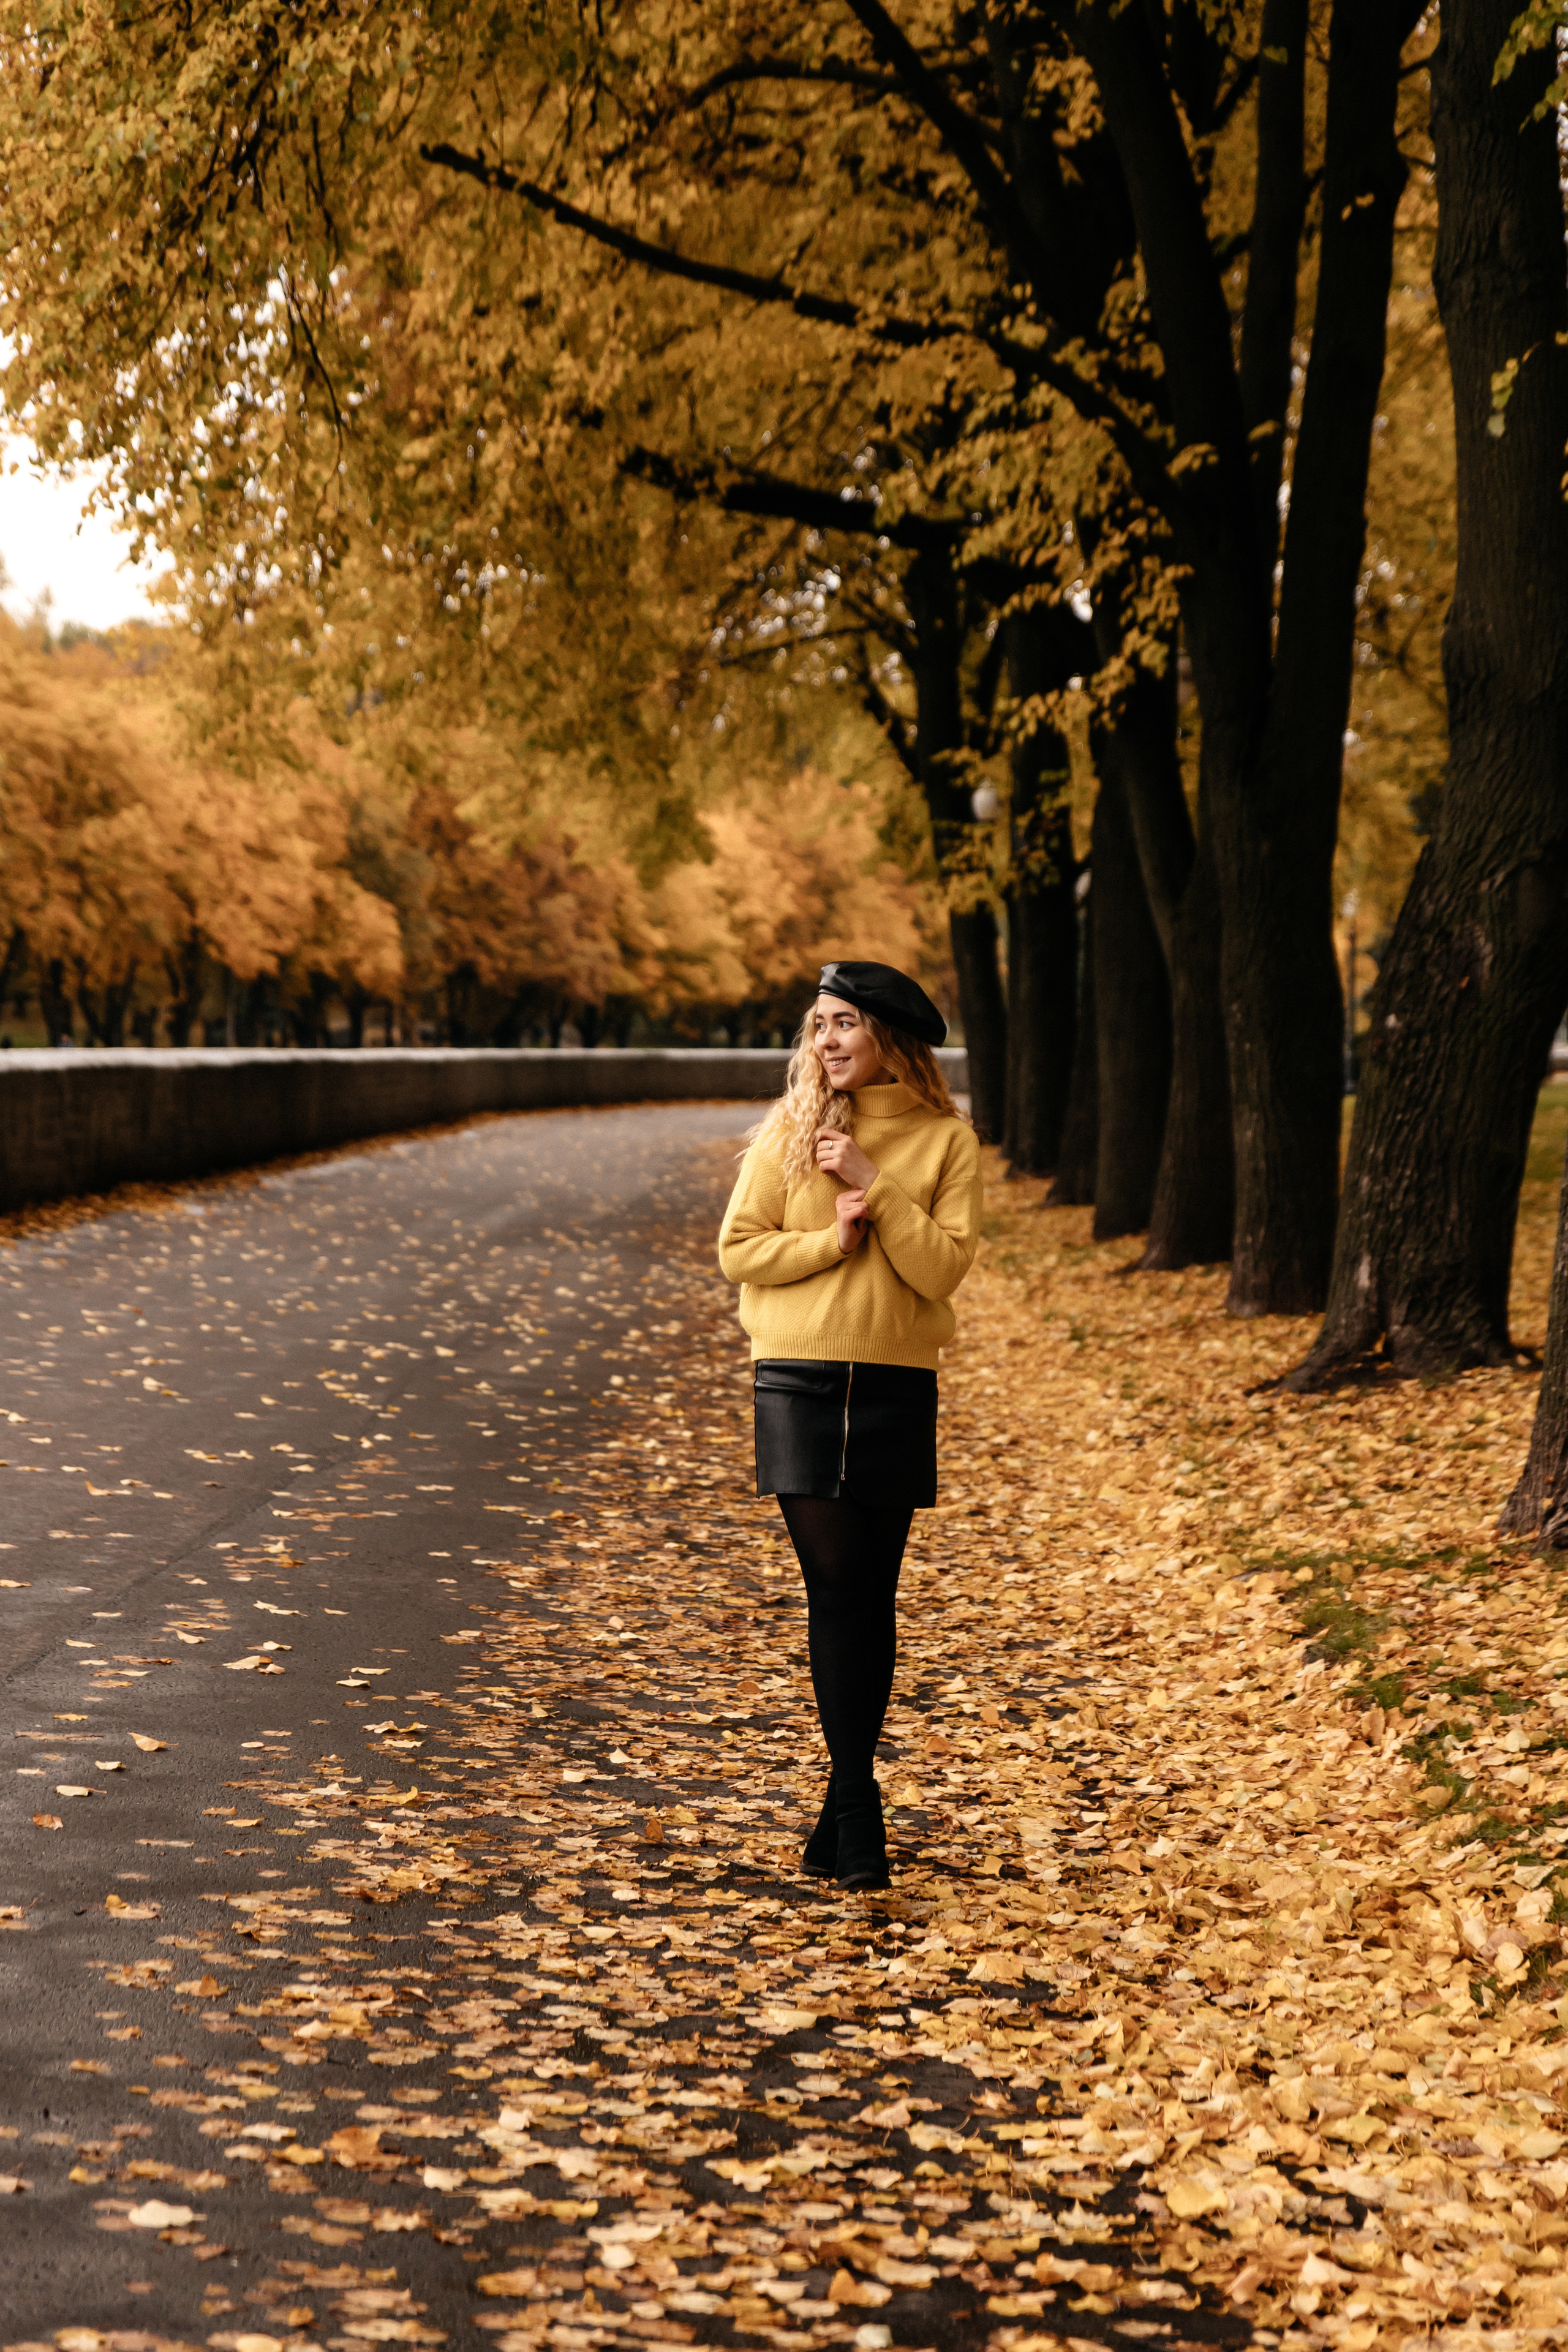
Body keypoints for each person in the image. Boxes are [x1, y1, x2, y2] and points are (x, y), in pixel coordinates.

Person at [718, 960, 983, 1890]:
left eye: (845, 1025)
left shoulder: (948, 1143)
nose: (826, 1041)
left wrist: (876, 1184)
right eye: (819, 1024)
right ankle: (860, 1800)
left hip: (895, 1381)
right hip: (796, 1374)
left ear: (889, 1041)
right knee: (833, 1581)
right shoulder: (788, 1135)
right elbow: (738, 1249)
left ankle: (844, 1802)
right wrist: (827, 1243)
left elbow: (941, 1271)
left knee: (873, 1589)